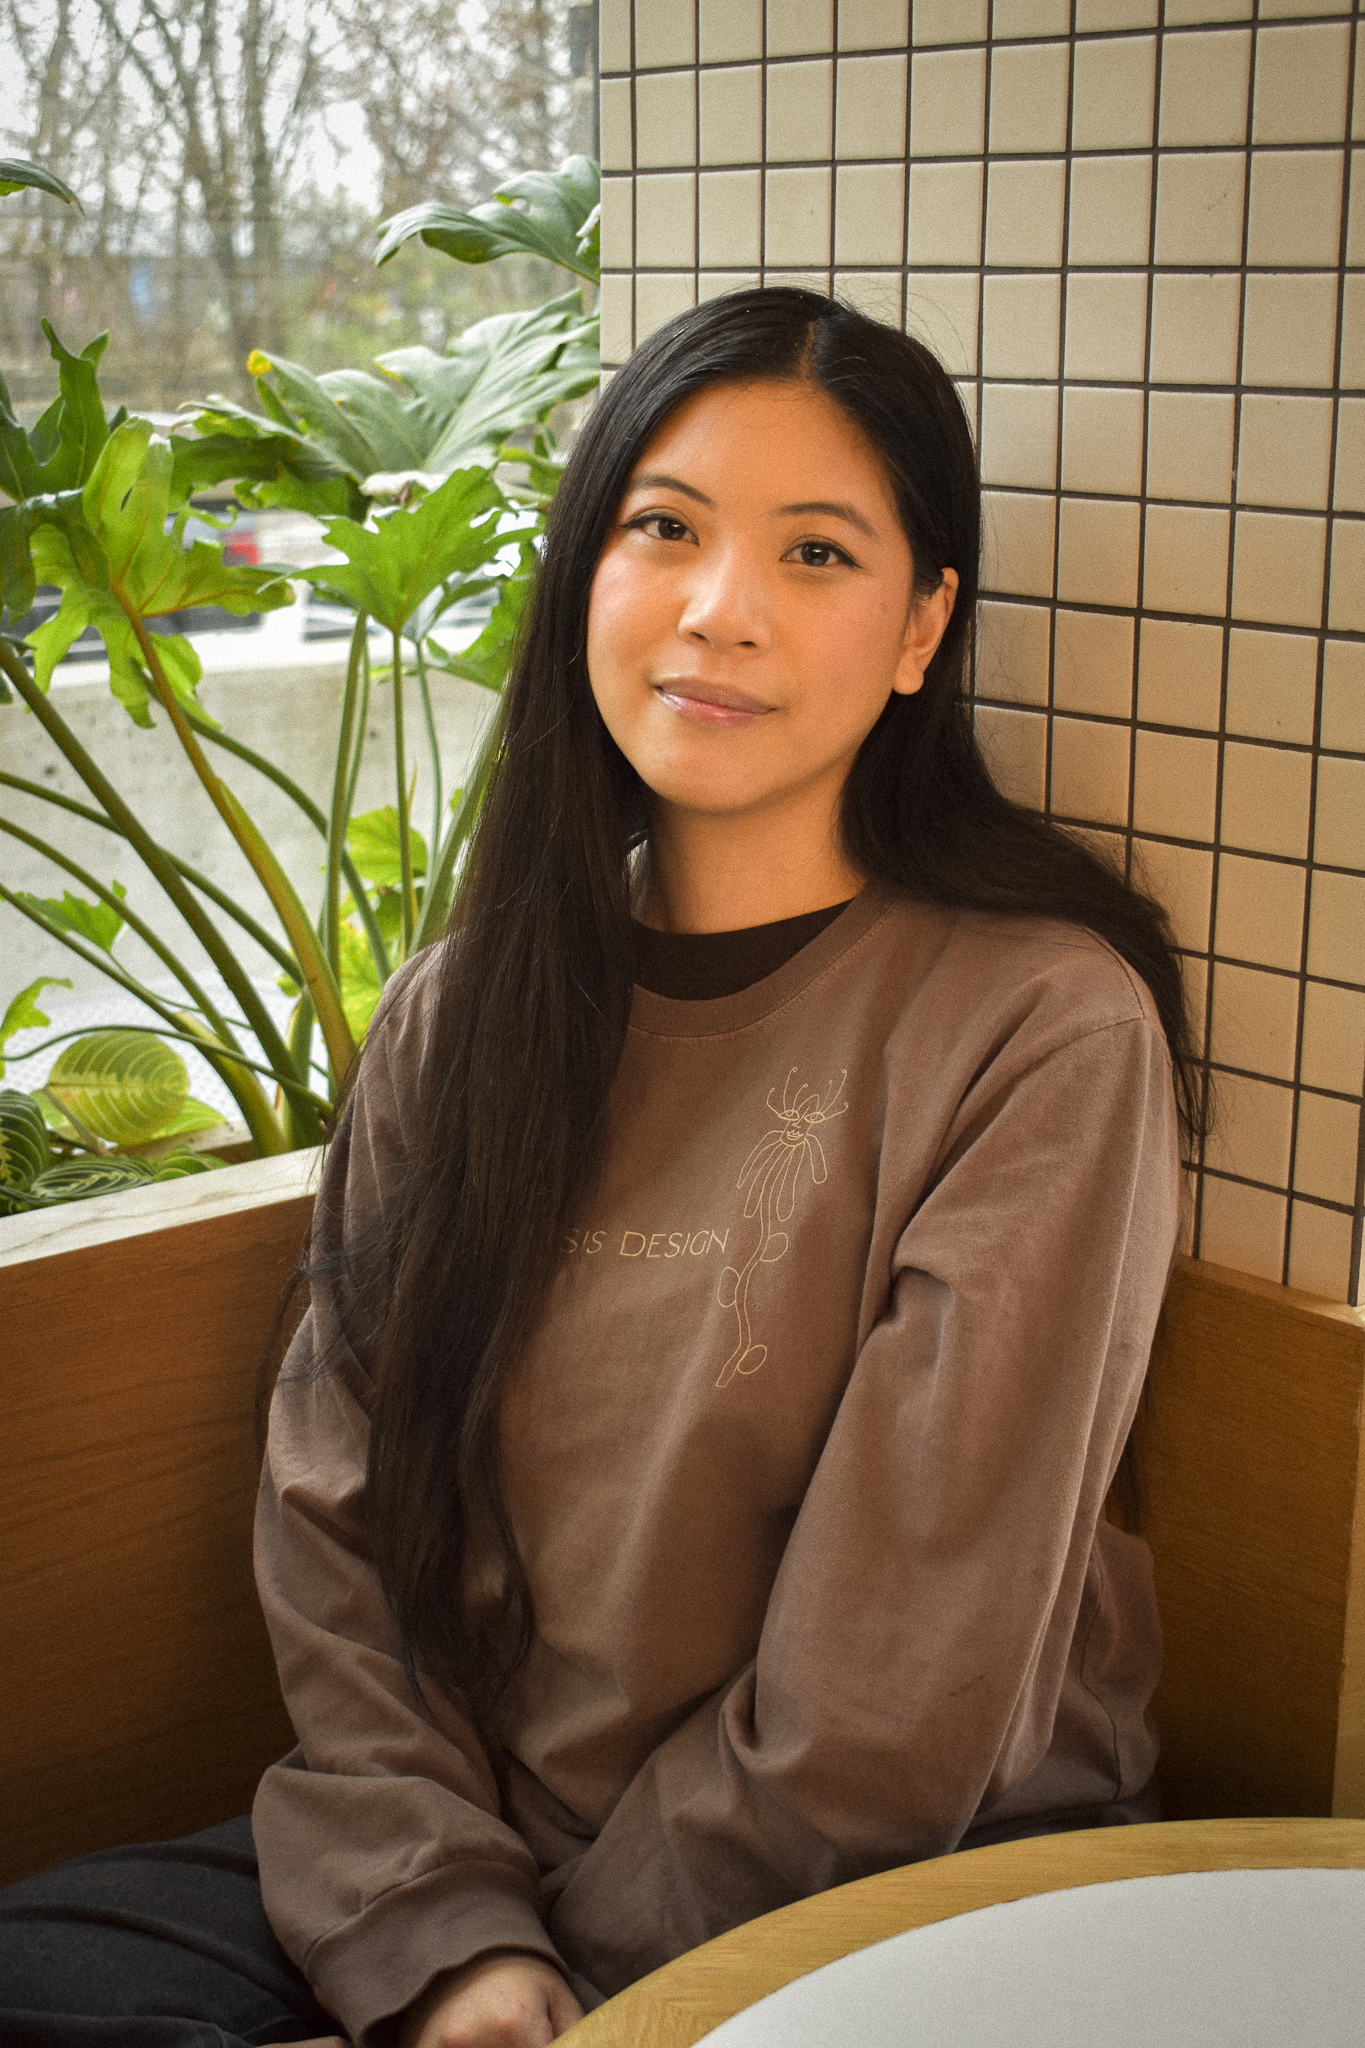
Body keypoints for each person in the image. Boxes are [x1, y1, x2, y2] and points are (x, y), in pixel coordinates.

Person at [0, 289, 1196, 2048]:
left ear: (922, 626)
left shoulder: (1037, 1030)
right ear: (588, 572)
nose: (721, 613)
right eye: (665, 529)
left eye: (815, 553)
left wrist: (586, 1997)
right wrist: (452, 1936)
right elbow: (339, 1513)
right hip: (495, 1854)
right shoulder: (461, 1013)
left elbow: (897, 1698)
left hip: (894, 1892)